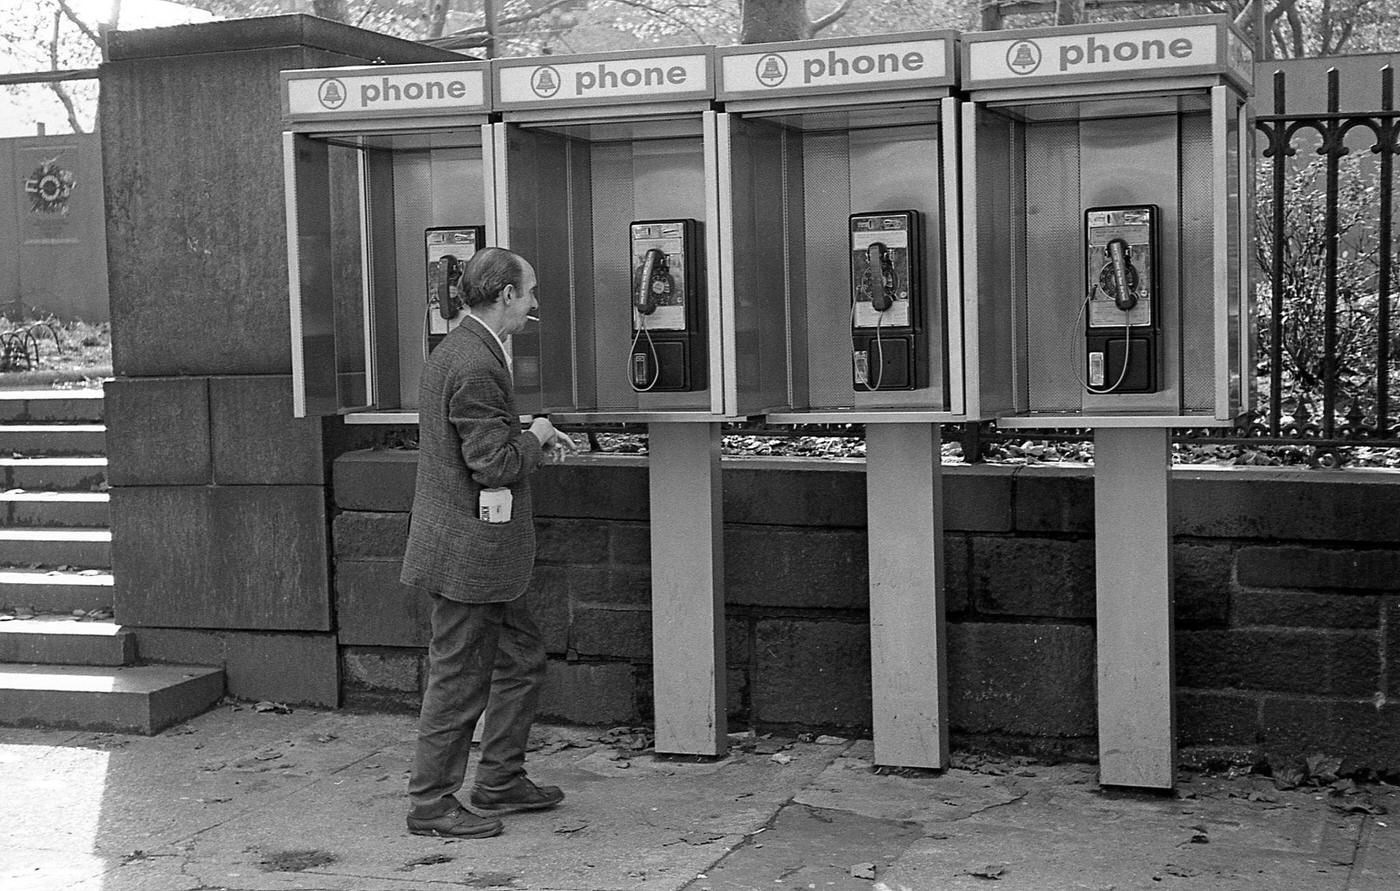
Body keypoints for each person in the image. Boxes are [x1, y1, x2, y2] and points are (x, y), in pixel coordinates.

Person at [402, 246, 578, 839]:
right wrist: (536, 436)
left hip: (487, 555)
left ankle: (500, 779)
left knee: (521, 660)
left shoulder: (465, 349)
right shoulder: (475, 363)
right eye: (529, 292)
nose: (534, 304)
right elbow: (493, 465)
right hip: (469, 556)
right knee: (458, 677)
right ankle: (431, 803)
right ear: (505, 295)